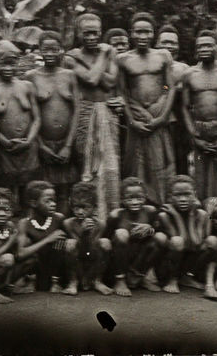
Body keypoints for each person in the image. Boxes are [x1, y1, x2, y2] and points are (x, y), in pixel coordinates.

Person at [64, 13, 122, 221]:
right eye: (86, 32)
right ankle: (86, 215)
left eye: (95, 32)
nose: (91, 37)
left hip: (107, 113)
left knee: (110, 165)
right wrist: (103, 57)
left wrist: (100, 63)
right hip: (85, 111)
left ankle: (110, 215)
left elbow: (109, 83)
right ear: (79, 33)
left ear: (101, 32)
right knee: (86, 163)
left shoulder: (110, 52)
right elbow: (90, 80)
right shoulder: (71, 57)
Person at [117, 13, 177, 203]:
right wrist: (132, 121)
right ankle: (138, 205)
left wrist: (162, 115)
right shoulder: (123, 59)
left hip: (158, 115)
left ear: (153, 34)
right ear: (131, 34)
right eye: (138, 32)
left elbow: (169, 87)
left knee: (161, 163)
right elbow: (122, 91)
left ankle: (161, 203)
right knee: (136, 164)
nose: (142, 36)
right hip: (137, 116)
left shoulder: (163, 55)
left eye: (147, 32)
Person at [25, 32, 80, 215]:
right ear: (39, 50)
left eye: (54, 49)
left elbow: (76, 111)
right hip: (43, 143)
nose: (50, 53)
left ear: (61, 51)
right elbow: (30, 114)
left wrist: (68, 146)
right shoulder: (31, 76)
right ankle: (44, 229)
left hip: (67, 142)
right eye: (45, 49)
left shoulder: (70, 75)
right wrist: (40, 145)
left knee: (64, 190)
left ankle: (62, 229)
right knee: (43, 190)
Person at [182, 31, 217, 201]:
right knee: (201, 181)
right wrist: (195, 137)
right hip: (200, 130)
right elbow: (185, 108)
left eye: (208, 45)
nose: (204, 49)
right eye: (200, 46)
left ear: (216, 47)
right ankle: (205, 220)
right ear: (195, 50)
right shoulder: (189, 74)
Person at [0, 40, 40, 213]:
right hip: (6, 147)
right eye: (3, 64)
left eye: (11, 64)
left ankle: (29, 217)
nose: (7, 68)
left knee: (29, 185)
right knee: (8, 186)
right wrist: (4, 141)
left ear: (17, 64)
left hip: (29, 145)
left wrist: (29, 140)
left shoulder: (27, 86)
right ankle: (10, 219)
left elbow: (37, 118)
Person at [158, 175, 217, 299]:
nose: (183, 199)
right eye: (178, 195)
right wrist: (176, 215)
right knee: (177, 241)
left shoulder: (201, 214)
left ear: (194, 195)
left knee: (213, 240)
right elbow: (181, 242)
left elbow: (197, 242)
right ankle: (173, 280)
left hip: (193, 262)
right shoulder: (165, 215)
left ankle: (209, 285)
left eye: (187, 194)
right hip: (170, 265)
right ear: (170, 197)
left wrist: (193, 215)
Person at [102, 177, 166, 297]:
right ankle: (120, 280)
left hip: (140, 259)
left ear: (145, 197)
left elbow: (161, 232)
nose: (135, 202)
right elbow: (106, 241)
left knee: (161, 237)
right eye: (130, 199)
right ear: (122, 199)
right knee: (121, 233)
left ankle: (140, 277)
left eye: (139, 198)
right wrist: (128, 234)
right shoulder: (116, 216)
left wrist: (150, 229)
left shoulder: (150, 212)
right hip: (119, 261)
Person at [14, 180, 75, 294]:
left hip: (57, 272)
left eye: (54, 200)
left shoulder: (58, 219)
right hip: (38, 272)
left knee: (63, 242)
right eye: (48, 201)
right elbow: (20, 254)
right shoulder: (24, 223)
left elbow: (72, 244)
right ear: (34, 203)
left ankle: (59, 283)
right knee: (26, 242)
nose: (53, 204)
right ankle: (28, 281)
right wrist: (48, 239)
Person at [63, 182, 113, 295]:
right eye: (76, 207)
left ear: (94, 207)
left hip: (93, 264)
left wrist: (88, 233)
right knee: (70, 243)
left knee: (104, 242)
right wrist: (83, 232)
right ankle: (73, 282)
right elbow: (79, 250)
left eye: (85, 207)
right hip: (77, 264)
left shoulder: (100, 224)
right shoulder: (68, 223)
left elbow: (91, 251)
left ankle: (98, 281)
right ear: (71, 206)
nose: (80, 212)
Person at [156, 25, 192, 175]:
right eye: (165, 42)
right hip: (153, 119)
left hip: (179, 122)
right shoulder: (150, 66)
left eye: (173, 43)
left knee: (179, 161)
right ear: (157, 44)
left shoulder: (184, 68)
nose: (169, 46)